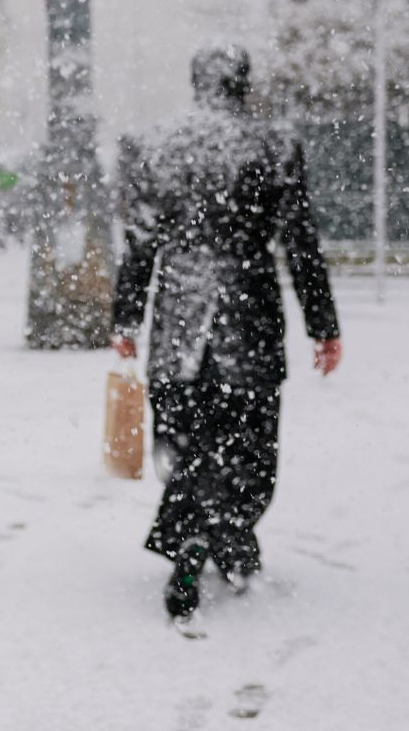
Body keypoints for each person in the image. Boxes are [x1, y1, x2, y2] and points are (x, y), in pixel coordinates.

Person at [112, 45, 342, 623]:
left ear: (196, 83)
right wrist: (324, 326)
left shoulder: (152, 145)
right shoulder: (274, 144)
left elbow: (140, 242)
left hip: (178, 317)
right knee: (250, 447)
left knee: (186, 440)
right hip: (251, 315)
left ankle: (197, 535)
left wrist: (125, 319)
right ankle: (229, 534)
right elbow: (300, 244)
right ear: (243, 83)